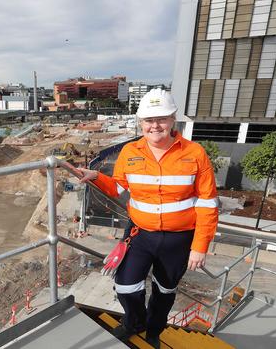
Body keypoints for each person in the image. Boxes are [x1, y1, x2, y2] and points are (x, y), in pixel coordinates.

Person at [77, 88, 218, 347]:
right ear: (141, 122)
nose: (155, 126)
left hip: (178, 240)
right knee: (126, 286)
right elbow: (119, 187)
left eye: (161, 119)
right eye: (149, 120)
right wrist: (97, 177)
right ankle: (134, 322)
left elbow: (208, 204)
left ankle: (154, 330)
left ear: (173, 119)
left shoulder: (195, 153)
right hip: (140, 233)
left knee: (165, 291)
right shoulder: (130, 152)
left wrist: (199, 247)